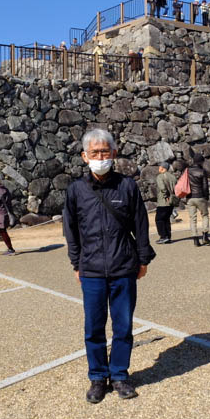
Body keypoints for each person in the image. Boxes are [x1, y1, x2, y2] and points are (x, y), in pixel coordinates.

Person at [63, 129, 154, 403]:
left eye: (105, 151)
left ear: (114, 153)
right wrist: (76, 262)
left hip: (123, 266)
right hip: (91, 269)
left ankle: (119, 375)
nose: (100, 157)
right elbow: (71, 230)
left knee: (123, 325)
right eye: (95, 153)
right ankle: (97, 377)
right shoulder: (76, 190)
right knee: (93, 326)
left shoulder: (127, 186)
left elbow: (140, 224)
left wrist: (142, 258)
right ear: (84, 156)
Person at [187, 153, 210, 246]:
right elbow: (205, 186)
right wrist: (206, 197)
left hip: (190, 197)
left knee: (192, 219)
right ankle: (205, 236)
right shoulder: (202, 171)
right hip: (200, 196)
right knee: (205, 215)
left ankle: (195, 239)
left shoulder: (187, 171)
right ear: (201, 162)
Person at [155, 162, 178, 243]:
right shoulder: (173, 177)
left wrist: (165, 196)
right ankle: (168, 236)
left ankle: (163, 236)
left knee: (159, 219)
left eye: (160, 167)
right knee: (167, 219)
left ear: (163, 168)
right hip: (172, 201)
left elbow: (162, 188)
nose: (158, 168)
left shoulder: (160, 177)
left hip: (163, 201)